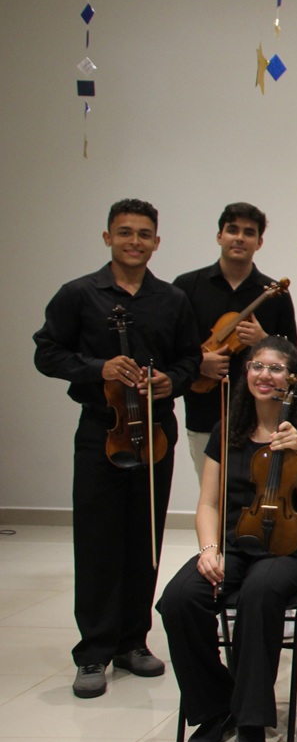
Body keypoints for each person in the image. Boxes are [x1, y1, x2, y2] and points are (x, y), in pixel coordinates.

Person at [34, 198, 202, 699]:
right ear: (107, 237)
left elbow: (191, 359)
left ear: (156, 241)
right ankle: (93, 651)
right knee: (98, 538)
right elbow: (47, 351)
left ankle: (133, 641)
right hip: (100, 428)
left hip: (154, 430)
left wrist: (169, 381)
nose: (135, 241)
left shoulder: (171, 300)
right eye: (125, 232)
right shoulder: (79, 295)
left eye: (144, 234)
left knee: (144, 537)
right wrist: (97, 369)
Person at [157, 336, 297, 742]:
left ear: (293, 378)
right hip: (236, 542)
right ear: (246, 373)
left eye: (276, 368)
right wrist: (209, 549)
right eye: (257, 366)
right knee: (180, 598)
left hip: (293, 547)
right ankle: (216, 708)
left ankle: (252, 725)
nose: (264, 375)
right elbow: (209, 504)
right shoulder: (228, 429)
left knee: (260, 592)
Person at [174, 202, 297, 478]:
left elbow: (295, 361)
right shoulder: (186, 286)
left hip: (262, 418)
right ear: (219, 236)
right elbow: (170, 349)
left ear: (259, 242)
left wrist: (263, 340)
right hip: (203, 413)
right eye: (232, 230)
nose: (240, 238)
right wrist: (199, 363)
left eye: (249, 232)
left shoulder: (273, 294)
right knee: (211, 494)